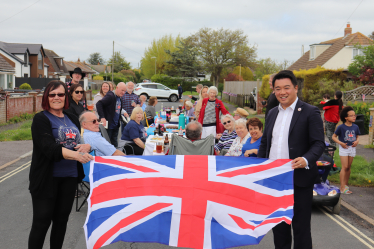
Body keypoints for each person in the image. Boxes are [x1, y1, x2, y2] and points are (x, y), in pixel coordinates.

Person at [258, 70, 325, 249]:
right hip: (275, 181)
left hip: (299, 179)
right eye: (278, 89)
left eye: (286, 87)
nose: (282, 92)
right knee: (279, 228)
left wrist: (305, 159)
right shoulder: (272, 113)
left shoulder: (310, 112)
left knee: (301, 228)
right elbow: (265, 143)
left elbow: (319, 144)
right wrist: (258, 168)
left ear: (296, 88)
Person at [28, 80, 93, 249]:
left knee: (61, 221)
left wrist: (86, 146)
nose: (56, 97)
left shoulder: (71, 117)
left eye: (60, 94)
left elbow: (78, 141)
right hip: (46, 179)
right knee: (41, 222)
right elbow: (50, 149)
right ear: (46, 97)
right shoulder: (40, 119)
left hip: (69, 178)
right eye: (52, 94)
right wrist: (78, 155)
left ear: (66, 97)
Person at [332, 106, 360, 194]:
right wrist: (341, 143)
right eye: (351, 115)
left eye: (354, 115)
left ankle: (346, 186)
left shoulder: (356, 127)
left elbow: (358, 136)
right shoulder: (341, 127)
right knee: (344, 167)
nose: (354, 117)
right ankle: (342, 187)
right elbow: (333, 137)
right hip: (344, 148)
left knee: (348, 167)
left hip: (352, 148)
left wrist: (356, 141)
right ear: (346, 117)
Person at [96, 82, 127, 147]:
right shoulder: (110, 95)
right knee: (107, 145)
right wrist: (102, 117)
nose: (123, 92)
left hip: (115, 126)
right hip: (109, 126)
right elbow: (99, 104)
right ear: (117, 88)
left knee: (115, 145)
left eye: (125, 91)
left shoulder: (119, 98)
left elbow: (117, 111)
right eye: (122, 90)